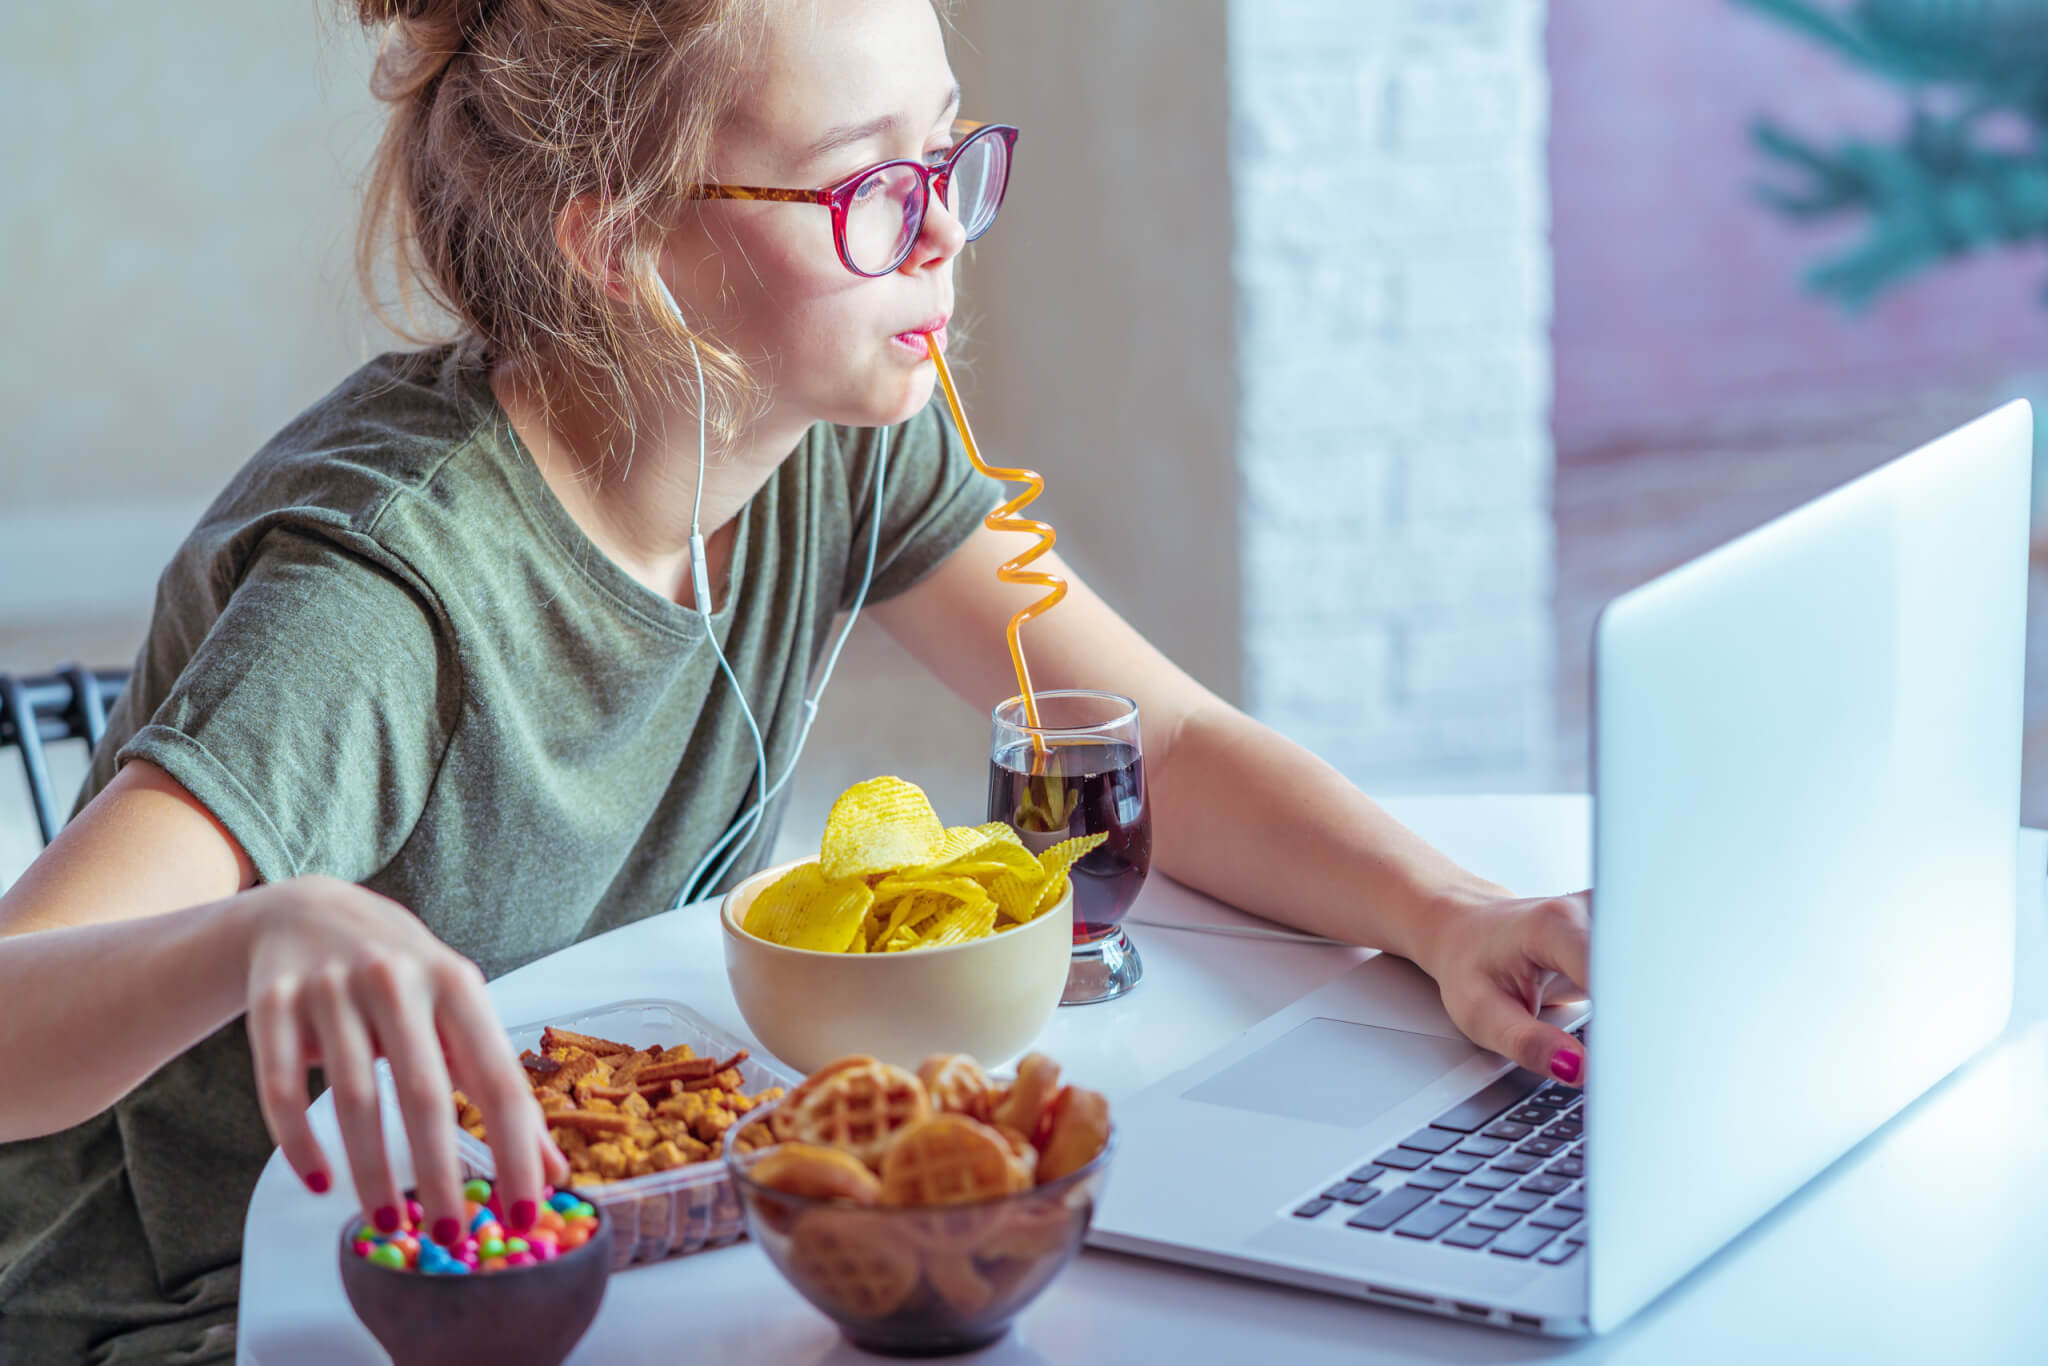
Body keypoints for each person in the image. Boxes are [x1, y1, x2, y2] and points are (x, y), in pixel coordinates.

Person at [0, 0, 1592, 1359]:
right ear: (622, 240)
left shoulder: (828, 439)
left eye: (952, 154)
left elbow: (1152, 737)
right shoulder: (382, 599)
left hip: (558, 1246)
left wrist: (1448, 915)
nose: (946, 230)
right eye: (871, 189)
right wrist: (265, 928)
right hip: (231, 1302)